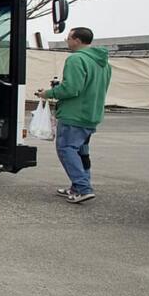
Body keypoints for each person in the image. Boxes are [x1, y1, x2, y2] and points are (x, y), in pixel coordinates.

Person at [35, 27, 112, 204]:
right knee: (82, 151)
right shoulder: (104, 63)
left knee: (66, 149)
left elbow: (72, 88)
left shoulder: (76, 59)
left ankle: (83, 187)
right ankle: (78, 186)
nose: (66, 41)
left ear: (77, 40)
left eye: (68, 38)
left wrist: (48, 93)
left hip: (74, 114)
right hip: (92, 113)